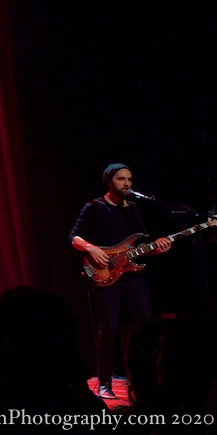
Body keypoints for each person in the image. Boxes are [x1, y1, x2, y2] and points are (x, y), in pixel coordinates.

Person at [69, 163, 171, 399]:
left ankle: (144, 379)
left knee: (144, 326)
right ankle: (104, 381)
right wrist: (91, 248)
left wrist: (157, 248)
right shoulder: (94, 207)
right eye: (121, 179)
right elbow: (73, 237)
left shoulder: (134, 209)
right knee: (110, 329)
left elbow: (140, 245)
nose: (127, 184)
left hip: (134, 275)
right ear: (109, 181)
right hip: (105, 273)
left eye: (130, 179)